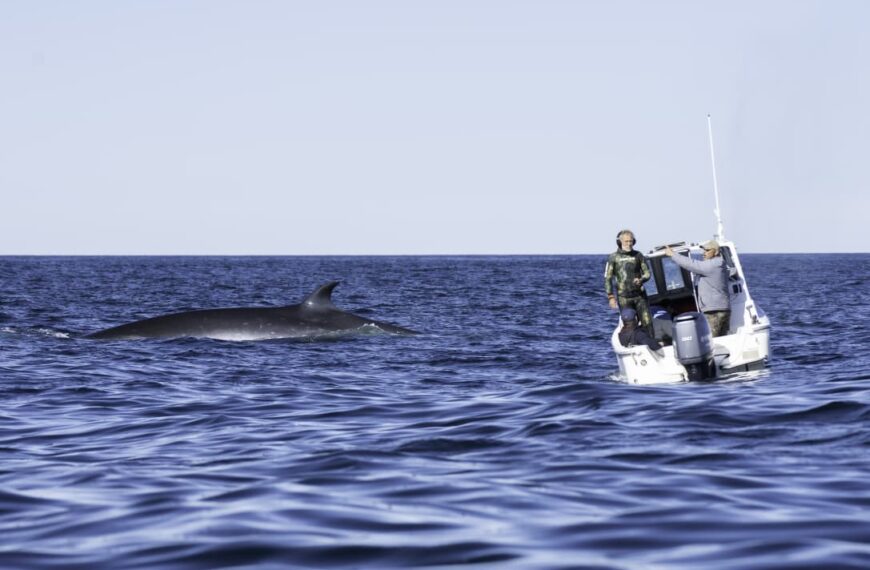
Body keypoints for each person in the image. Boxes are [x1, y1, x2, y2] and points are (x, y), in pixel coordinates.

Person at [664, 240, 731, 337]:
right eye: (703, 250)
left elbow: (692, 264)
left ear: (716, 252)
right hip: (720, 309)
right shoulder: (718, 264)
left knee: (712, 341)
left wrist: (673, 255)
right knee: (721, 339)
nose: (704, 253)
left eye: (707, 250)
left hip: (714, 311)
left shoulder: (714, 265)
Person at [604, 229, 652, 333]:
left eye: (631, 241)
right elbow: (608, 278)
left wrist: (641, 279)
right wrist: (611, 297)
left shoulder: (638, 255)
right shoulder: (613, 257)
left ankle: (651, 343)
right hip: (624, 298)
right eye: (626, 241)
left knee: (647, 323)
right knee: (629, 325)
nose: (629, 243)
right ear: (620, 242)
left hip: (640, 296)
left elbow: (648, 273)